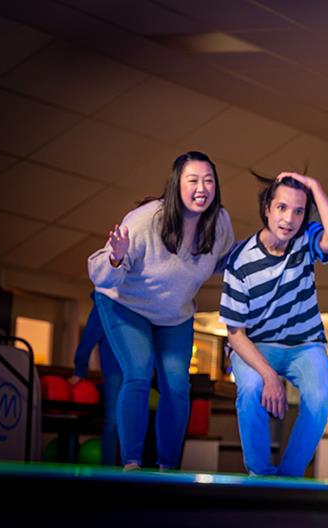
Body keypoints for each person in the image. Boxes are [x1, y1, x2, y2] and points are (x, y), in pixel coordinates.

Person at [88, 151, 235, 471]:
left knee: (177, 385)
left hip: (174, 313)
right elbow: (98, 274)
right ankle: (132, 462)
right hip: (125, 305)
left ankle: (168, 467)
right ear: (175, 185)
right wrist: (115, 257)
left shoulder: (219, 223)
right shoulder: (144, 221)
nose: (202, 188)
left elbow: (225, 261)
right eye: (193, 180)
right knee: (138, 373)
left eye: (209, 181)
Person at [220, 172, 328, 476]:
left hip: (305, 344)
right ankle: (259, 473)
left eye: (299, 210)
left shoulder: (306, 240)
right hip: (255, 345)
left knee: (319, 399)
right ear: (267, 208)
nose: (289, 218)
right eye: (281, 208)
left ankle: (289, 476)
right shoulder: (240, 260)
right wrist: (269, 377)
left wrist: (315, 186)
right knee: (250, 388)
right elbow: (235, 334)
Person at [67, 297, 122, 466]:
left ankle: (131, 467)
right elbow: (89, 338)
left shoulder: (138, 299)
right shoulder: (105, 301)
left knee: (132, 420)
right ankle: (109, 469)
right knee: (114, 420)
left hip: (138, 373)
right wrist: (80, 370)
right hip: (115, 370)